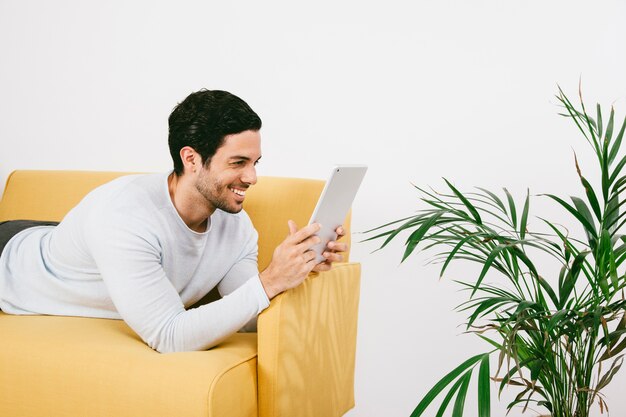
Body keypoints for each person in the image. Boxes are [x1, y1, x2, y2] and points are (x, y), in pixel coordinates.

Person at [0, 89, 347, 353]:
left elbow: (249, 316)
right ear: (191, 158)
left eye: (256, 162)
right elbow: (168, 336)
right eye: (238, 162)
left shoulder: (236, 226)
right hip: (12, 263)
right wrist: (270, 280)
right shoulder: (124, 217)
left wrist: (298, 270)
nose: (252, 177)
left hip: (74, 241)